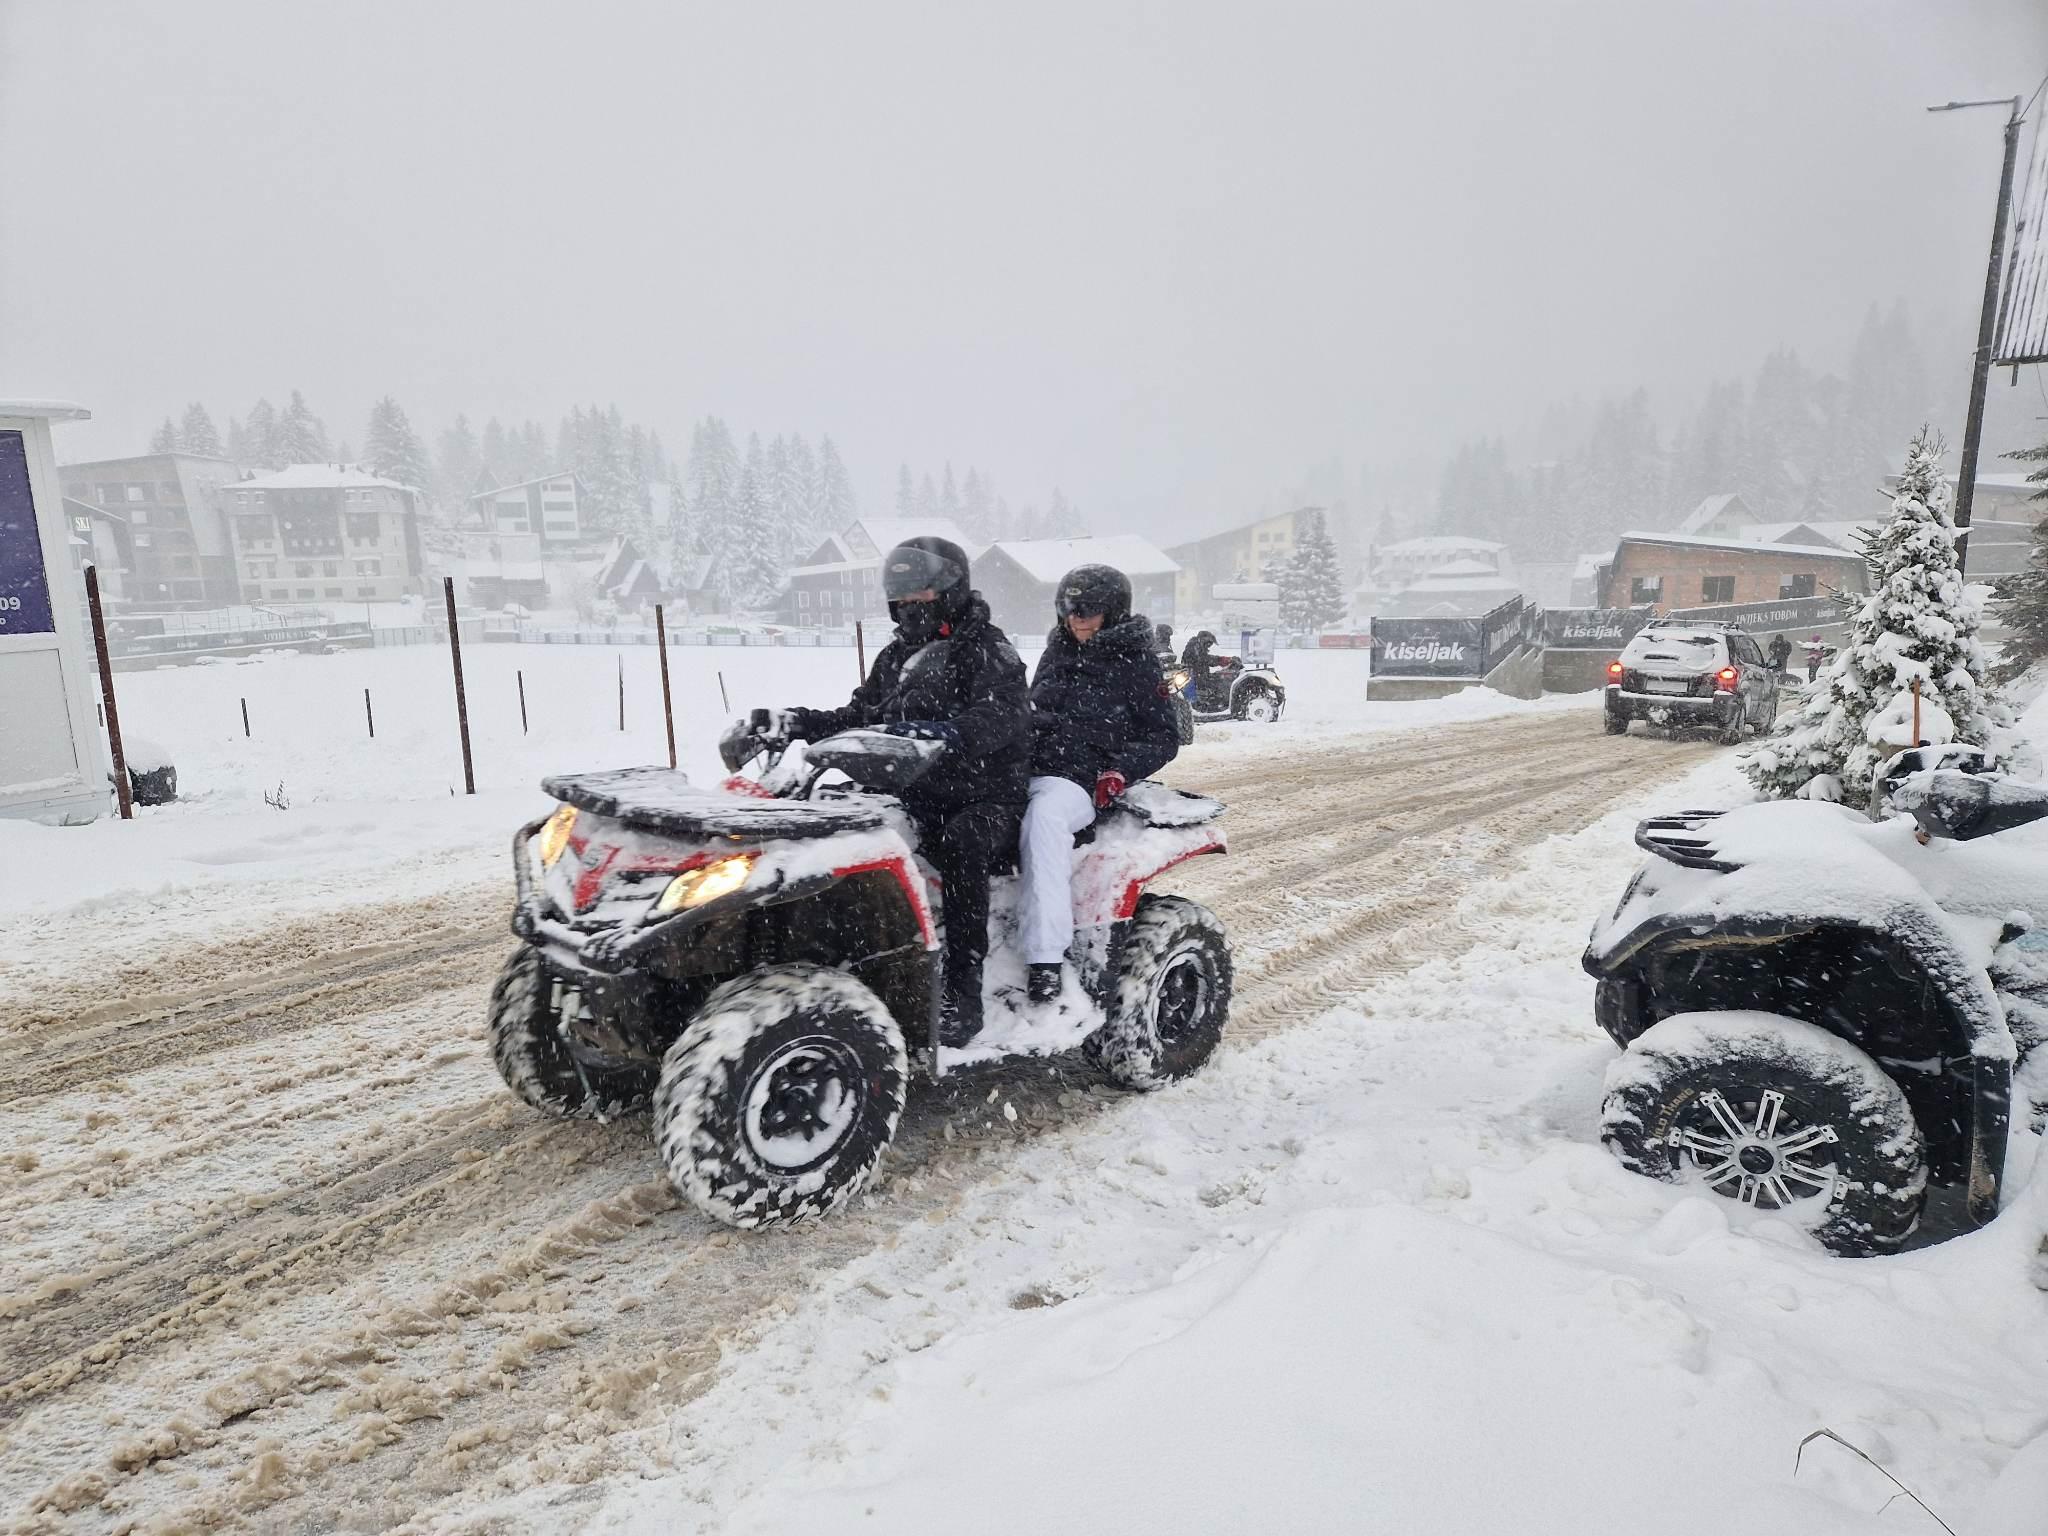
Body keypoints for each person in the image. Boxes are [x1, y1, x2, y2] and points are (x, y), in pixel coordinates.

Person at [742, 537, 1028, 1045]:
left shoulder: (988, 649)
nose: (909, 608)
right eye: (901, 600)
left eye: (920, 597)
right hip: (911, 790)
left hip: (983, 796)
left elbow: (1001, 715)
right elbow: (860, 715)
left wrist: (949, 734)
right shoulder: (897, 654)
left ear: (951, 591)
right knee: (833, 828)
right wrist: (798, 723)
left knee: (962, 844)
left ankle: (963, 989)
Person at [1018, 564, 1182, 1004]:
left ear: (1112, 612)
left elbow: (1164, 736)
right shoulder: (1057, 649)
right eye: (1069, 610)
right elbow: (1034, 710)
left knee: (1045, 818)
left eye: (1087, 611)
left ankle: (1045, 957)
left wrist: (1119, 771)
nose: (1076, 620)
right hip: (1028, 765)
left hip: (1080, 779)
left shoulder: (1135, 659)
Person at [1181, 629, 1221, 711]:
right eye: (1208, 644)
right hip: (1192, 676)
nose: (1209, 646)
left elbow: (1204, 660)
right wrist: (1221, 660)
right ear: (1203, 641)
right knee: (1192, 681)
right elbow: (1203, 659)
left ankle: (1210, 702)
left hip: (1198, 674)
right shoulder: (1193, 647)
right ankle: (1195, 705)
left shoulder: (1197, 647)